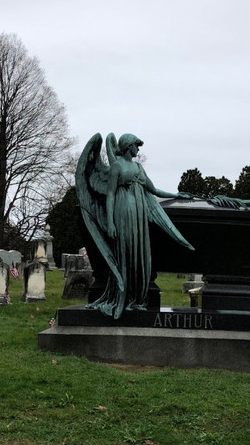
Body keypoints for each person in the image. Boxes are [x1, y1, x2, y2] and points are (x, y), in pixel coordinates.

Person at [76, 132, 194, 318]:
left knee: (141, 256)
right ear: (127, 146)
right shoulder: (116, 166)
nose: (138, 149)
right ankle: (125, 297)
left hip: (139, 215)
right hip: (122, 212)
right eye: (136, 145)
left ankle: (138, 301)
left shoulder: (138, 168)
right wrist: (111, 223)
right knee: (126, 255)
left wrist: (177, 195)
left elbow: (153, 190)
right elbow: (111, 194)